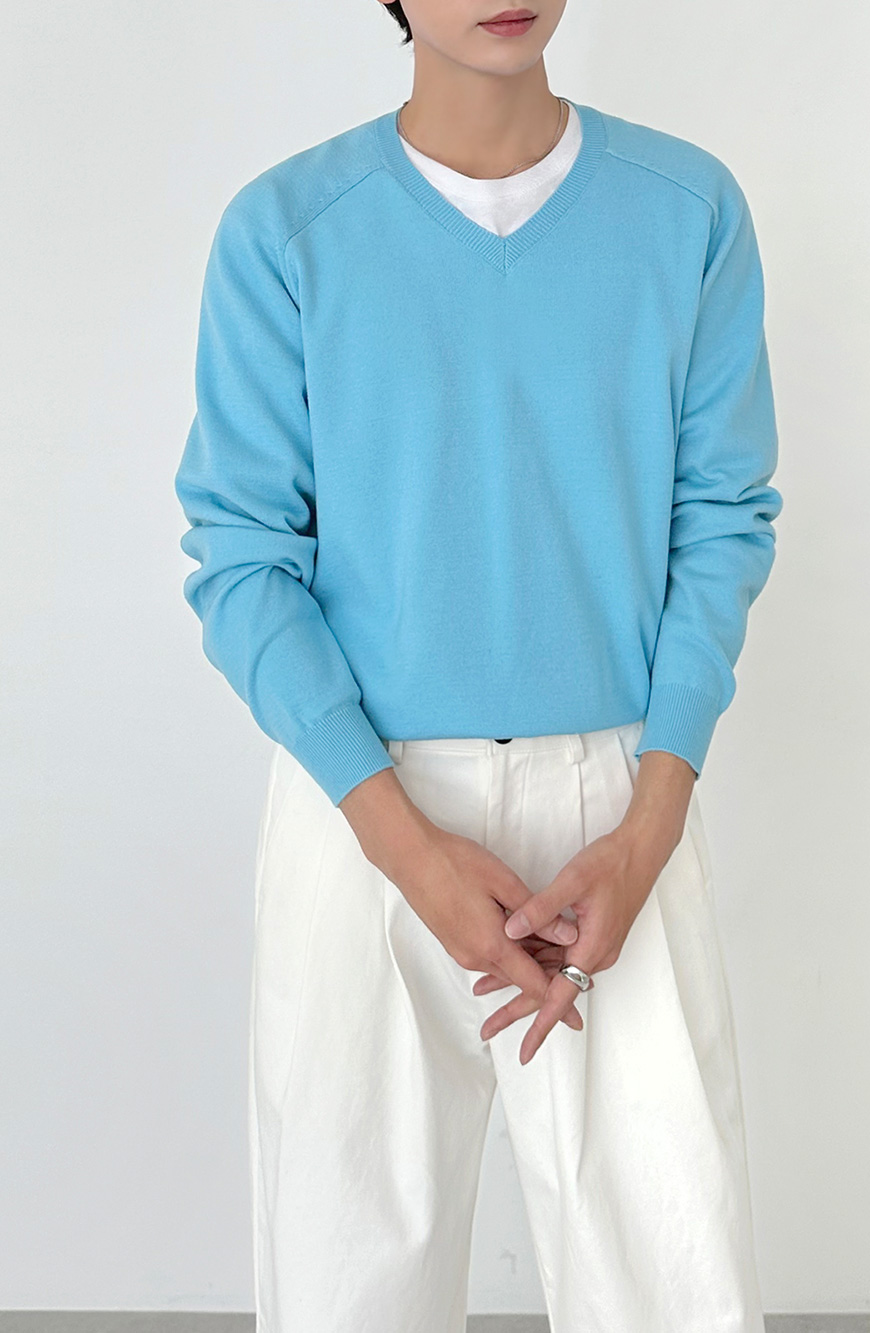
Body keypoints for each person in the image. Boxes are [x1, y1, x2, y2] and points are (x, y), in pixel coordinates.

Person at [173, 0, 783, 1328]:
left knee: (671, 1283)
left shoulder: (687, 211)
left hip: (620, 804)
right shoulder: (288, 232)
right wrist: (402, 846)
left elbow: (723, 518)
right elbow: (243, 558)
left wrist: (651, 822)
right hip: (361, 806)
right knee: (350, 1287)